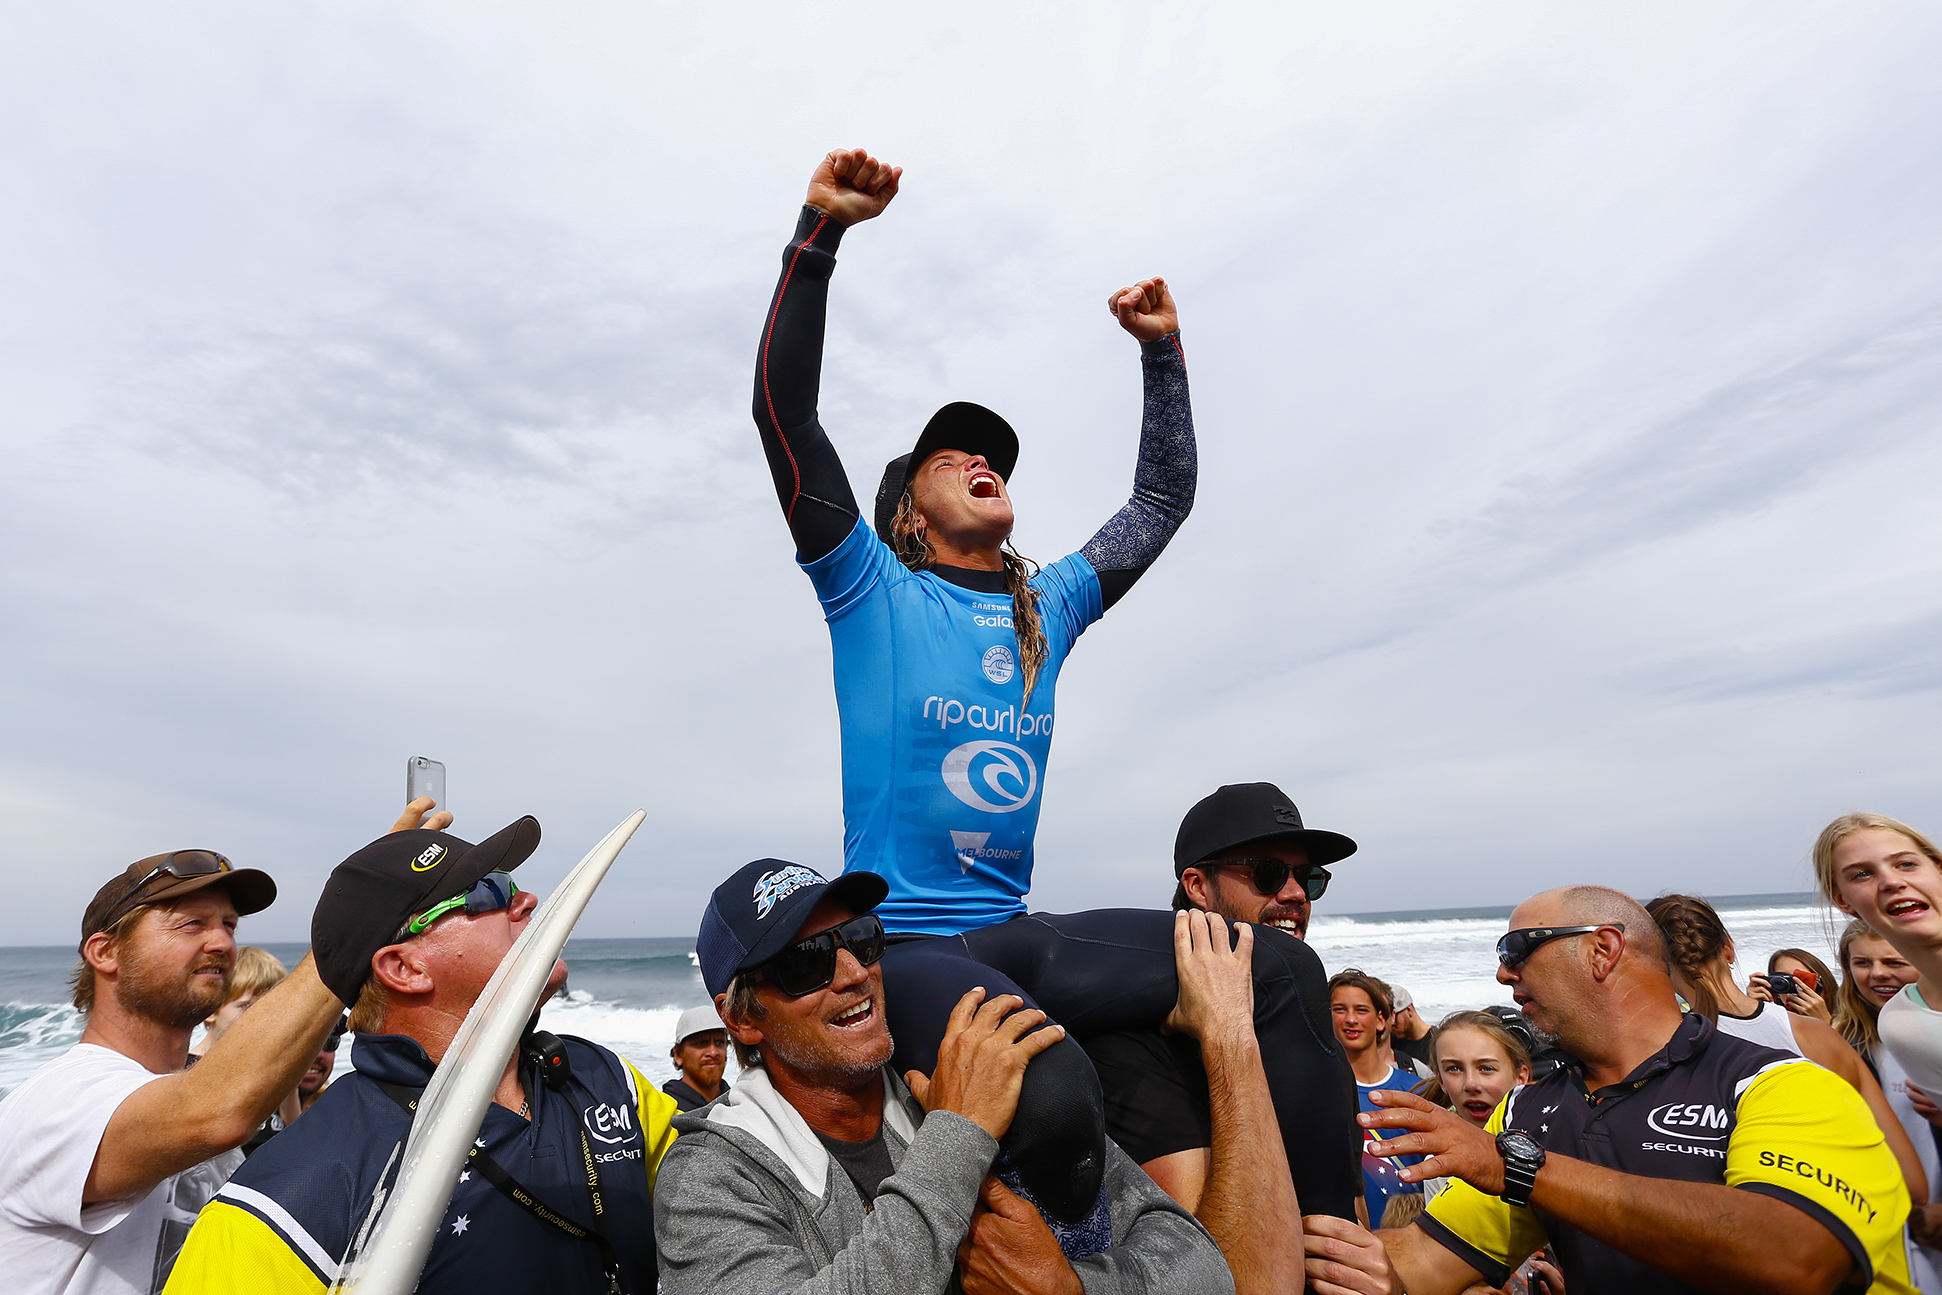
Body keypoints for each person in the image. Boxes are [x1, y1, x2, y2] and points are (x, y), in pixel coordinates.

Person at [750, 144, 1349, 1234]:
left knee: (1279, 975)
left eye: (991, 455)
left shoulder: (1047, 610)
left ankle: (1329, 1242)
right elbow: (788, 421)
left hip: (1019, 931)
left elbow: (1160, 497)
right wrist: (821, 232)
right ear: (907, 513)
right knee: (1060, 1086)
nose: (979, 459)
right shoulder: (869, 590)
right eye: (948, 458)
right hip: (915, 946)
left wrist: (1161, 354)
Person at [654, 859, 1234, 1295]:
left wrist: (1073, 1286)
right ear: (740, 1017)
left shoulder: (946, 1073)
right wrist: (958, 1130)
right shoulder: (709, 1178)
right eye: (806, 962)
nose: (855, 973)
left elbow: (1203, 1265)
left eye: (860, 938)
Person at [1300, 884, 1915, 1295]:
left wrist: (1519, 1169)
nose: (1502, 972)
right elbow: (1416, 1264)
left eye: (1517, 948)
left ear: (1603, 949)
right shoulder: (1531, 1108)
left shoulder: (1779, 1084)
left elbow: (1796, 1256)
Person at [165, 813, 680, 1294]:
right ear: (405, 968)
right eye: (490, 892)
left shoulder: (600, 1076)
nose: (526, 900)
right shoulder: (290, 1198)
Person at [0, 830, 378, 1295]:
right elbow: (218, 1111)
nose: (222, 942)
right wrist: (360, 919)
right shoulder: (59, 1099)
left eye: (230, 925)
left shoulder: (188, 1091)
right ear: (105, 951)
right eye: (191, 925)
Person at [1080, 780, 1363, 1257]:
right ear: (1197, 887)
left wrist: (1383, 1275)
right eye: (1269, 873)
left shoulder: (1318, 1041)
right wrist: (1227, 1039)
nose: (1296, 893)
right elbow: (1200, 1263)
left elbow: (1348, 1217)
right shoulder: (1136, 1044)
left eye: (1309, 877)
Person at [1644, 894, 1928, 1202]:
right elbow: (1912, 1183)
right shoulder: (1816, 1034)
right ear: (1728, 948)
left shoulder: (1661, 1049)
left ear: (1654, 965)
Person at [1816, 815, 1942, 1106]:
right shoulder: (1902, 1024)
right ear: (1843, 901)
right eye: (1861, 874)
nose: (1891, 881)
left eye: (1906, 864)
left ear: (1938, 868)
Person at [1331, 970, 1428, 1231]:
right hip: (1346, 1239)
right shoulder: (1317, 1093)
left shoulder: (1416, 1090)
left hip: (1412, 1238)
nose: (1350, 1019)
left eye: (1361, 1010)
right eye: (1339, 1009)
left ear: (1381, 1020)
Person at [189, 947, 288, 1059]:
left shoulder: (272, 1068)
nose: (261, 1016)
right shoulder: (185, 1072)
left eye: (271, 1008)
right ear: (211, 1010)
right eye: (246, 1006)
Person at [664, 1005, 730, 1112]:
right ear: (678, 1055)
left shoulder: (740, 1105)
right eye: (701, 1043)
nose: (713, 1053)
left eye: (719, 1042)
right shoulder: (666, 1111)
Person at [1753, 947, 1839, 1026]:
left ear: (1822, 983)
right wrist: (1752, 1010)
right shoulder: (1774, 1026)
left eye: (1802, 979)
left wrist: (1825, 1022)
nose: (1793, 987)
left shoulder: (1849, 1020)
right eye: (1782, 981)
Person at [1389, 986, 1435, 1077]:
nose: (1391, 1026)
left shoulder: (1436, 1043)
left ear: (1409, 1010)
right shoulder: (1389, 1040)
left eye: (1395, 1020)